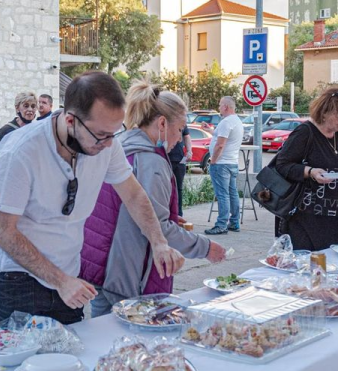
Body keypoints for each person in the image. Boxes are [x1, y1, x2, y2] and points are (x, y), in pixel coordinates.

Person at [0, 71, 184, 325]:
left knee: (73, 360)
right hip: (13, 279)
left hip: (68, 277)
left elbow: (133, 194)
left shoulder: (107, 144)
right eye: (101, 134)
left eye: (114, 133)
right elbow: (3, 232)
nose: (109, 144)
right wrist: (60, 281)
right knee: (18, 363)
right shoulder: (19, 151)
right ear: (70, 120)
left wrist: (159, 241)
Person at [81, 82, 226, 317]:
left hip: (101, 264)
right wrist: (206, 248)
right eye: (179, 129)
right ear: (161, 123)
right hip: (126, 271)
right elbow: (158, 227)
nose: (180, 139)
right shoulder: (151, 160)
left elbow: (126, 208)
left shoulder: (122, 145)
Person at [273, 88, 338, 251]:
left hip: (337, 220)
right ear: (324, 112)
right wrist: (310, 171)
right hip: (305, 221)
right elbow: (282, 165)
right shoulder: (305, 133)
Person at [205, 96, 244, 235]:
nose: (219, 107)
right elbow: (220, 137)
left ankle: (221, 224)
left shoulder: (226, 122)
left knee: (222, 195)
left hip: (221, 164)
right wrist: (210, 131)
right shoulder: (237, 121)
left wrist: (213, 160)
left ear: (226, 107)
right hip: (232, 162)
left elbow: (220, 144)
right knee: (232, 193)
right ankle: (234, 222)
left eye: (220, 105)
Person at [0, 91, 37, 166]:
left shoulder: (35, 131)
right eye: (26, 106)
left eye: (33, 106)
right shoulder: (7, 131)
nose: (30, 109)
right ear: (17, 108)